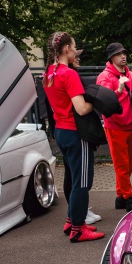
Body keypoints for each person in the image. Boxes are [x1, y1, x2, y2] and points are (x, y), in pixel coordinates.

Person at [44, 32, 105, 242]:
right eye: (74, 46)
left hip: (61, 131)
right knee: (82, 182)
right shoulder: (68, 74)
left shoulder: (48, 73)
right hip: (76, 133)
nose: (75, 51)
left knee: (72, 177)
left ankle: (72, 220)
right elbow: (81, 108)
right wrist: (97, 99)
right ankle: (78, 230)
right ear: (67, 49)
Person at [97, 42, 132, 211]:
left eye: (124, 53)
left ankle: (120, 196)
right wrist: (119, 90)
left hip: (130, 126)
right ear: (111, 58)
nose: (123, 56)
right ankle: (129, 198)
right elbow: (103, 104)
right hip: (115, 127)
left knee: (128, 165)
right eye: (118, 54)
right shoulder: (105, 77)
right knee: (121, 166)